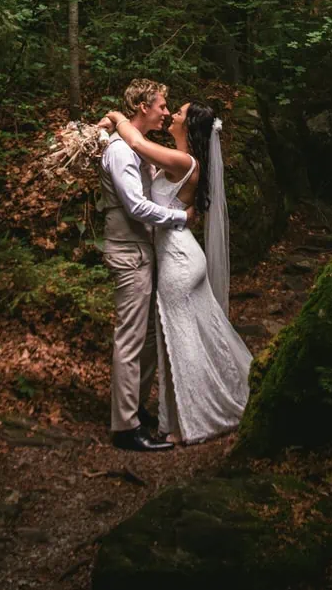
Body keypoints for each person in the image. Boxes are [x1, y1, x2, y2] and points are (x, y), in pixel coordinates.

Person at [100, 100, 252, 443]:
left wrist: (118, 117)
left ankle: (188, 422)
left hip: (178, 260)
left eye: (179, 113)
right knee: (179, 338)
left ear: (190, 127)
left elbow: (136, 143)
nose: (172, 115)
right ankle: (179, 417)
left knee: (178, 341)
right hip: (177, 254)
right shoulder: (176, 157)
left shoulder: (183, 160)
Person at [97, 78, 186, 452]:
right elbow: (134, 205)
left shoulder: (140, 147)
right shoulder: (121, 150)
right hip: (128, 251)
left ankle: (136, 408)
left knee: (148, 336)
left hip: (142, 248)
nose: (166, 112)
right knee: (131, 338)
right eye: (162, 105)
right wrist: (179, 219)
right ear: (142, 107)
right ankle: (124, 427)